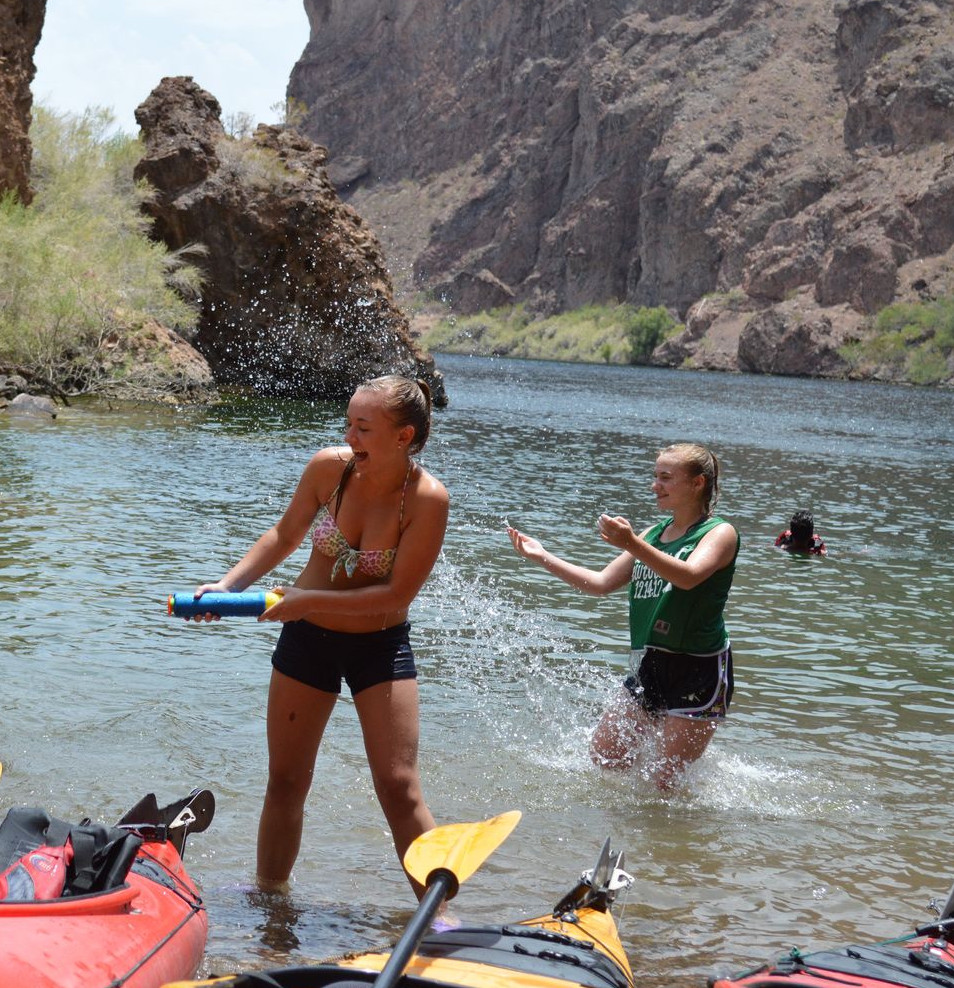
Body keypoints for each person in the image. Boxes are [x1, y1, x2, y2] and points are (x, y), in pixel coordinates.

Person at [192, 375, 449, 895]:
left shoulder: (427, 499)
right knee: (286, 782)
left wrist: (306, 600)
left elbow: (396, 596)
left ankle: (440, 918)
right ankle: (270, 906)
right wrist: (228, 586)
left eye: (363, 427)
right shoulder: (328, 469)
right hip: (307, 639)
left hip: (380, 646)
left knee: (399, 788)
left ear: (403, 437)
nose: (349, 436)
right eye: (348, 424)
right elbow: (284, 535)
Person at [507, 443, 737, 790]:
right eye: (655, 476)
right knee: (606, 760)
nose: (655, 485)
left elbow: (689, 576)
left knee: (664, 784)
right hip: (652, 663)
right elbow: (600, 584)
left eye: (665, 478)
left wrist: (632, 543)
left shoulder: (719, 533)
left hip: (698, 670)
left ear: (697, 483)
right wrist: (542, 556)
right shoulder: (654, 534)